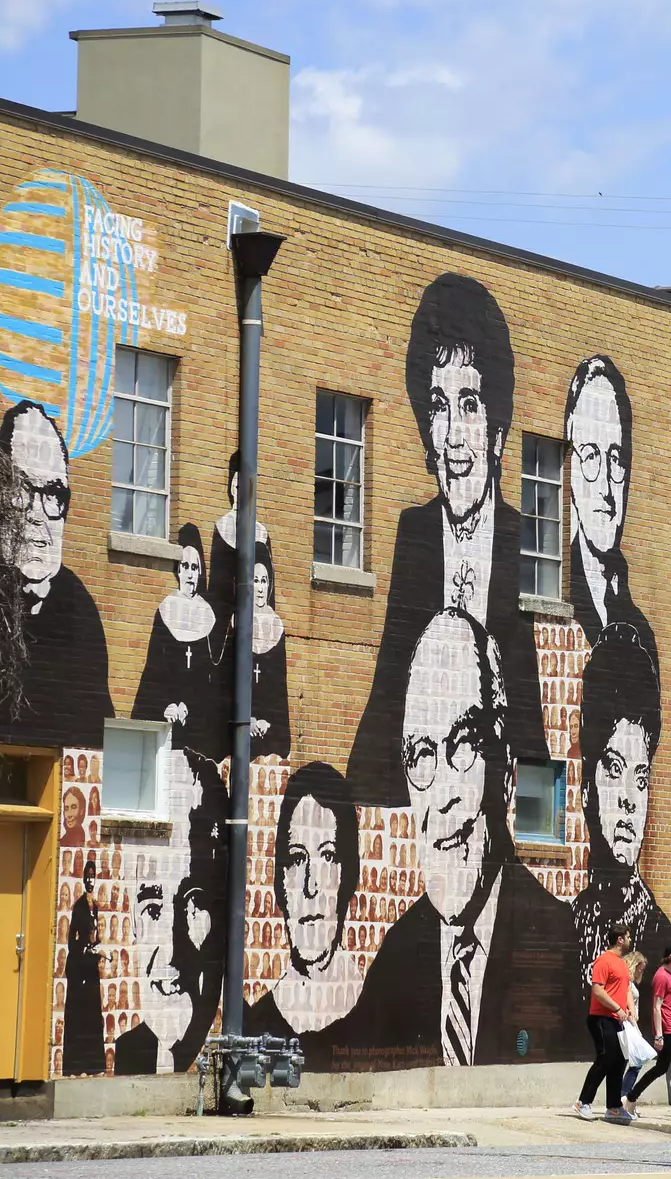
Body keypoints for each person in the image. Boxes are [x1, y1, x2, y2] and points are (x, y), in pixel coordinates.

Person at [341, 608, 579, 1069]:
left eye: (464, 745)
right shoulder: (397, 953)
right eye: (422, 756)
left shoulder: (557, 934)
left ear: (507, 772)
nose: (444, 795)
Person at [349, 272, 545, 808]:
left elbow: (530, 720)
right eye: (439, 405)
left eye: (470, 404)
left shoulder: (521, 539)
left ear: (498, 430)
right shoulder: (414, 531)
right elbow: (389, 688)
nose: (455, 434)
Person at [0, 400, 113, 751]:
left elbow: (96, 729)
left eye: (53, 495)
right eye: (20, 490)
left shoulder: (80, 609)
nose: (37, 515)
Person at [570, 626, 671, 981]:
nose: (630, 801)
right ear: (588, 788)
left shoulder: (661, 935)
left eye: (641, 779)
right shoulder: (568, 925)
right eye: (615, 770)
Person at [243, 763, 364, 1069]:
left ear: (348, 876)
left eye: (329, 856)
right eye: (297, 859)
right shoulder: (256, 1024)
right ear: (279, 883)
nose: (311, 885)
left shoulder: (378, 1005)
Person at [115, 748, 228, 1074]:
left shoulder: (255, 1028)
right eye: (151, 909)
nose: (169, 954)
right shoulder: (122, 1055)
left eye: (195, 906)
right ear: (134, 925)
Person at [564, 356, 656, 651]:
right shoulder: (559, 597)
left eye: (615, 459)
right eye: (590, 456)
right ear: (570, 471)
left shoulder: (642, 634)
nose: (605, 486)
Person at [132, 524, 225, 758]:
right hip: (167, 713)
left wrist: (190, 706)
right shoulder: (165, 610)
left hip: (198, 723)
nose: (191, 573)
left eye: (195, 567)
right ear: (178, 571)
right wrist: (166, 704)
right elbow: (154, 669)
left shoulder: (209, 616)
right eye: (185, 566)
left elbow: (212, 677)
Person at [575, 923, 635, 1123]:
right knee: (605, 1058)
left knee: (619, 1061)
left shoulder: (622, 963)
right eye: (628, 936)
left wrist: (629, 1011)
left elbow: (625, 989)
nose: (629, 940)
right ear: (620, 939)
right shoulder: (603, 961)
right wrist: (617, 1008)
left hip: (617, 1019)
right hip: (601, 1018)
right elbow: (598, 990)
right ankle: (582, 1102)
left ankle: (614, 1107)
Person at [626, 943, 671, 1116]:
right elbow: (657, 1007)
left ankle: (630, 1098)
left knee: (660, 1068)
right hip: (668, 1030)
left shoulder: (668, 975)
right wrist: (659, 1036)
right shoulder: (662, 976)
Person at [208, 449, 270, 629]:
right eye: (237, 486)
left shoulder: (261, 532)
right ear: (232, 487)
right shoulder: (221, 526)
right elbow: (215, 585)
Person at [240, 543, 291, 758]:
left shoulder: (277, 627)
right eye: (255, 580)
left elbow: (278, 689)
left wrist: (267, 721)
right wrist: (248, 719)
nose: (260, 588)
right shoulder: (238, 621)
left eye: (264, 581)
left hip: (269, 729)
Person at [63, 857, 106, 1075]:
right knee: (80, 1016)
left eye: (93, 876)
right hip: (80, 968)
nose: (91, 880)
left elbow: (94, 937)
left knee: (93, 1016)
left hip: (91, 967)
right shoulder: (79, 906)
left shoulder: (95, 907)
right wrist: (84, 949)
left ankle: (93, 1065)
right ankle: (77, 1065)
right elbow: (73, 940)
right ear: (83, 878)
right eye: (88, 876)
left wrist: (96, 945)